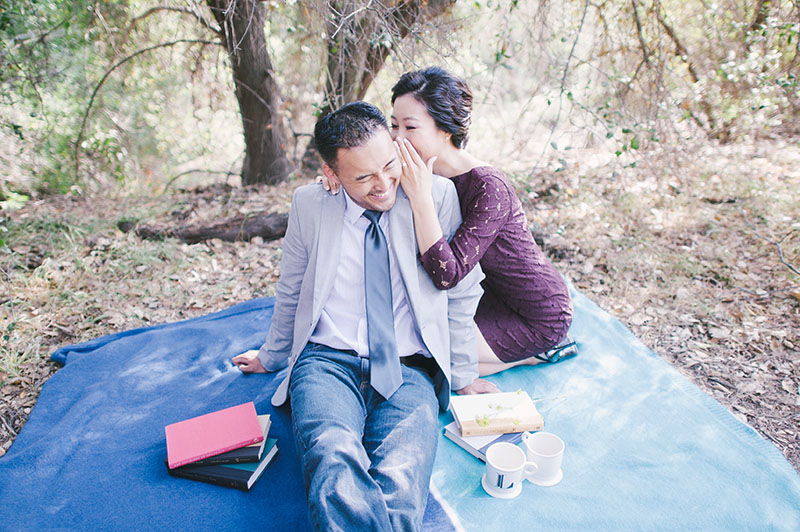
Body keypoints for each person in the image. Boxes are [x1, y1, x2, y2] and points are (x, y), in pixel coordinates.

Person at [232, 101, 492, 532]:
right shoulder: (311, 204)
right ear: (332, 174)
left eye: (388, 165)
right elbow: (292, 287)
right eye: (363, 177)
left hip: (410, 367)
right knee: (332, 458)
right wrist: (271, 355)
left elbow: (460, 293)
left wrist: (462, 375)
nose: (383, 184)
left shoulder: (436, 195)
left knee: (404, 478)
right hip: (326, 360)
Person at [392, 67, 575, 376]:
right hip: (480, 301)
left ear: (445, 129)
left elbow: (446, 275)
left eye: (410, 127)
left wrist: (421, 198)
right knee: (403, 345)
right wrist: (332, 180)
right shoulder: (418, 169)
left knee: (429, 362)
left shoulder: (489, 187)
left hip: (536, 313)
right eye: (393, 125)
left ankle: (539, 351)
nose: (397, 138)